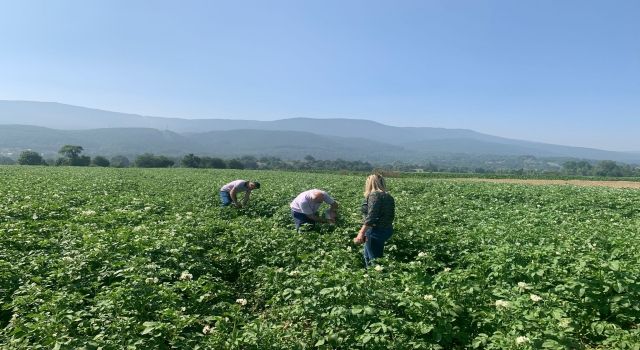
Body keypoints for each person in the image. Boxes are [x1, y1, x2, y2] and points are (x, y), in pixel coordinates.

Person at [353, 174, 395, 267]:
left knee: (374, 262)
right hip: (387, 229)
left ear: (370, 183)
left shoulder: (374, 195)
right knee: (368, 257)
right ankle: (370, 278)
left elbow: (372, 216)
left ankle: (377, 279)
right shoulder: (388, 196)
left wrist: (361, 232)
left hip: (375, 231)